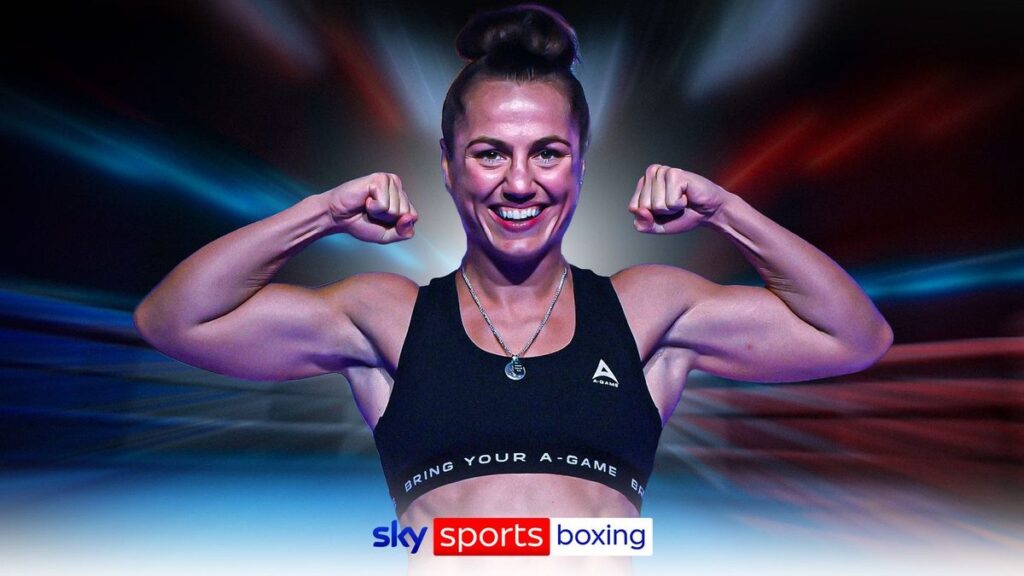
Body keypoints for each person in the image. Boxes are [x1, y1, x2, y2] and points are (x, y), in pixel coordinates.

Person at [133, 4, 892, 574]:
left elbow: (857, 338)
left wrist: (726, 211)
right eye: (491, 153)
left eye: (548, 153)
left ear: (581, 161)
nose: (520, 183)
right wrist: (320, 213)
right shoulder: (387, 319)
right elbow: (172, 319)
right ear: (448, 163)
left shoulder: (647, 310)